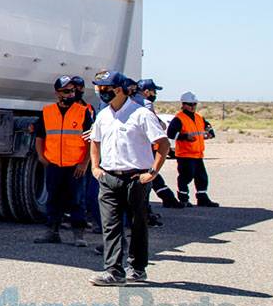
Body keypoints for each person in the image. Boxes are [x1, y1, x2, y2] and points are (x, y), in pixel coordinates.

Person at [88, 71, 170, 286]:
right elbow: (94, 141)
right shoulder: (103, 115)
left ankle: (137, 267)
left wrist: (152, 172)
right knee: (110, 225)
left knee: (137, 224)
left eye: (105, 89)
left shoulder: (141, 114)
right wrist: (96, 167)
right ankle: (114, 271)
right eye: (99, 89)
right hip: (109, 178)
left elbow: (163, 144)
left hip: (136, 178)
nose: (101, 92)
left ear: (119, 89)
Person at [31, 76, 94, 246]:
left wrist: (84, 162)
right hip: (54, 164)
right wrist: (41, 156)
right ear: (57, 93)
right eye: (66, 91)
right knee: (53, 199)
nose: (71, 94)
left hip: (75, 166)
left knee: (77, 200)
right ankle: (52, 232)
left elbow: (90, 140)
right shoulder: (48, 112)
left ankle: (78, 235)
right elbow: (39, 136)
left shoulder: (82, 112)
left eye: (73, 90)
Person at [136, 79, 184, 210]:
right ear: (146, 91)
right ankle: (151, 207)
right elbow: (156, 123)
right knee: (148, 174)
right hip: (144, 146)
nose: (155, 94)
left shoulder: (129, 102)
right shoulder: (146, 104)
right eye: (153, 91)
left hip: (137, 146)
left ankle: (167, 197)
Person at [168, 92, 219, 207]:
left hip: (198, 154)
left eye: (194, 104)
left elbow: (208, 126)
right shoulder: (179, 119)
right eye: (190, 104)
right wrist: (185, 137)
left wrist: (210, 133)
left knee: (202, 177)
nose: (193, 107)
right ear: (183, 105)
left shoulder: (199, 117)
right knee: (186, 176)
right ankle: (183, 198)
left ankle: (202, 198)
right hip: (185, 155)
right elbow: (170, 134)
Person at [71, 76, 103, 233]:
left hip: (85, 156)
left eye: (78, 87)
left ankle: (83, 220)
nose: (76, 90)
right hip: (69, 156)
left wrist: (87, 160)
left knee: (84, 192)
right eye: (73, 87)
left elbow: (93, 133)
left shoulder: (88, 109)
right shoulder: (65, 108)